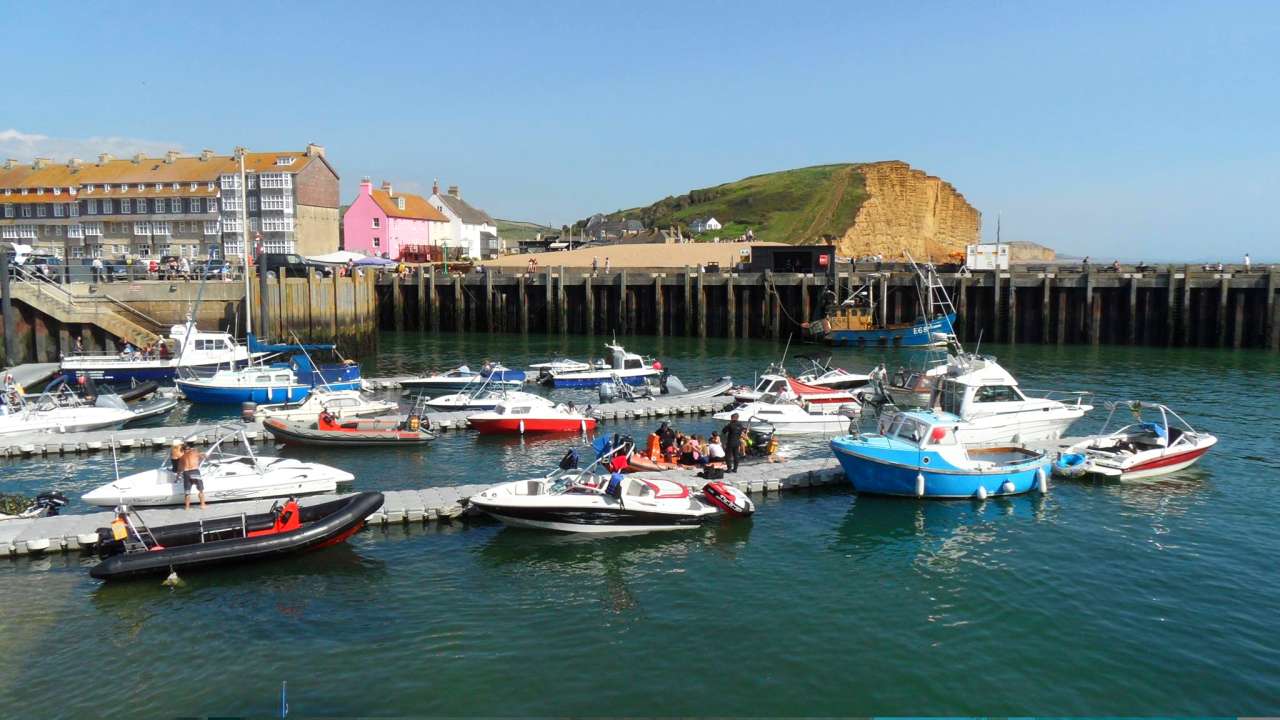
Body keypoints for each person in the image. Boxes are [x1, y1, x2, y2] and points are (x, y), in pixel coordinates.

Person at [179, 443, 206, 510]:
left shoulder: (182, 457)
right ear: (189, 449)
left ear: (183, 450)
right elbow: (205, 456)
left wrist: (178, 475)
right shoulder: (195, 453)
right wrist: (200, 458)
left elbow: (180, 469)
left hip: (186, 473)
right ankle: (202, 505)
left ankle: (187, 507)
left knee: (187, 493)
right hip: (194, 471)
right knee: (200, 490)